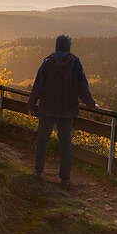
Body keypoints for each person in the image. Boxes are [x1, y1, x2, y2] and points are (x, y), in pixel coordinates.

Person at [27, 35, 96, 187]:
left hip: (47, 109)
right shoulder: (75, 63)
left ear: (56, 46)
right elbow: (81, 87)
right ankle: (65, 178)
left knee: (42, 141)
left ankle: (38, 171)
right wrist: (91, 104)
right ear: (69, 46)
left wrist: (31, 104)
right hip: (67, 110)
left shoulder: (47, 63)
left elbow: (37, 85)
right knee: (65, 144)